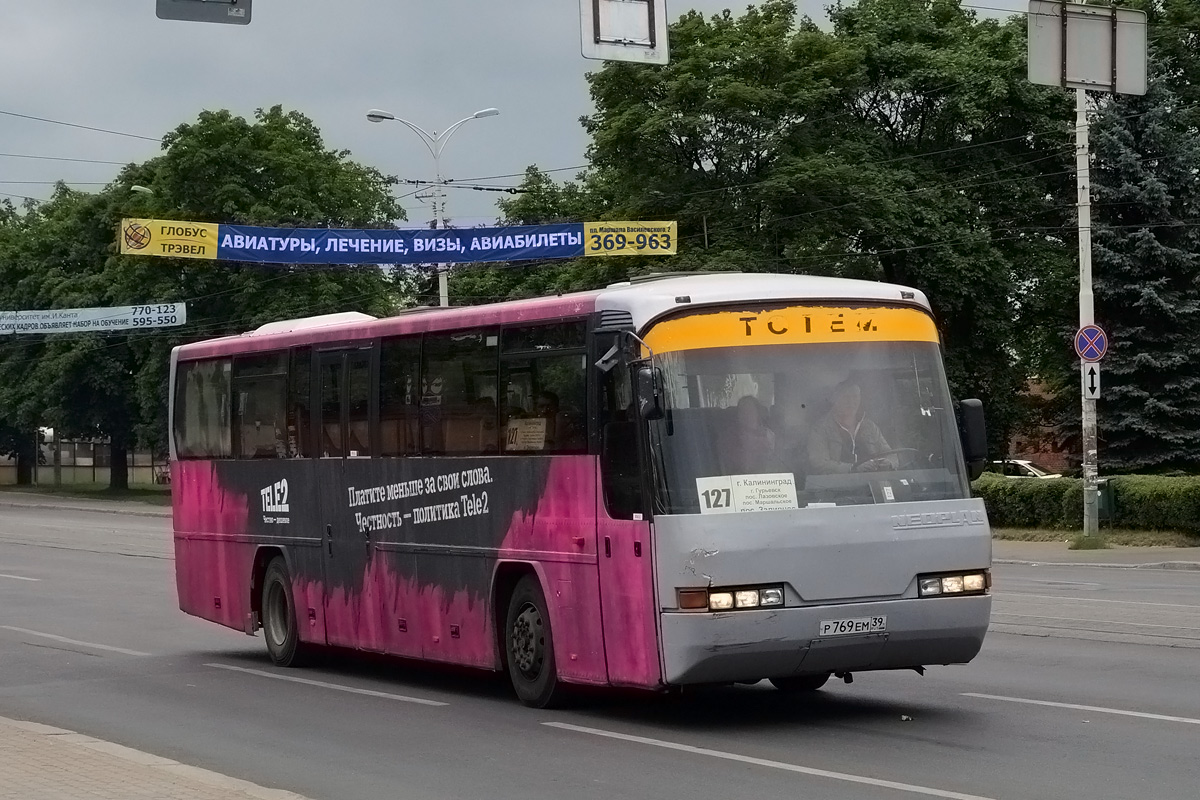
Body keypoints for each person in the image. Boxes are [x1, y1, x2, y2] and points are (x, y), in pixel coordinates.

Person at [808, 380, 895, 474]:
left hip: (873, 485)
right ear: (835, 400)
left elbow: (891, 455)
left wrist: (889, 463)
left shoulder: (870, 427)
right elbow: (818, 463)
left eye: (855, 397)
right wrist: (852, 468)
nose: (851, 402)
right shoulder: (820, 429)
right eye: (846, 397)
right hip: (838, 487)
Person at [722, 395, 779, 474]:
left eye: (750, 410)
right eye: (742, 411)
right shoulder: (730, 437)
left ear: (758, 413)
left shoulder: (769, 435)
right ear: (738, 415)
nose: (746, 414)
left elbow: (775, 465)